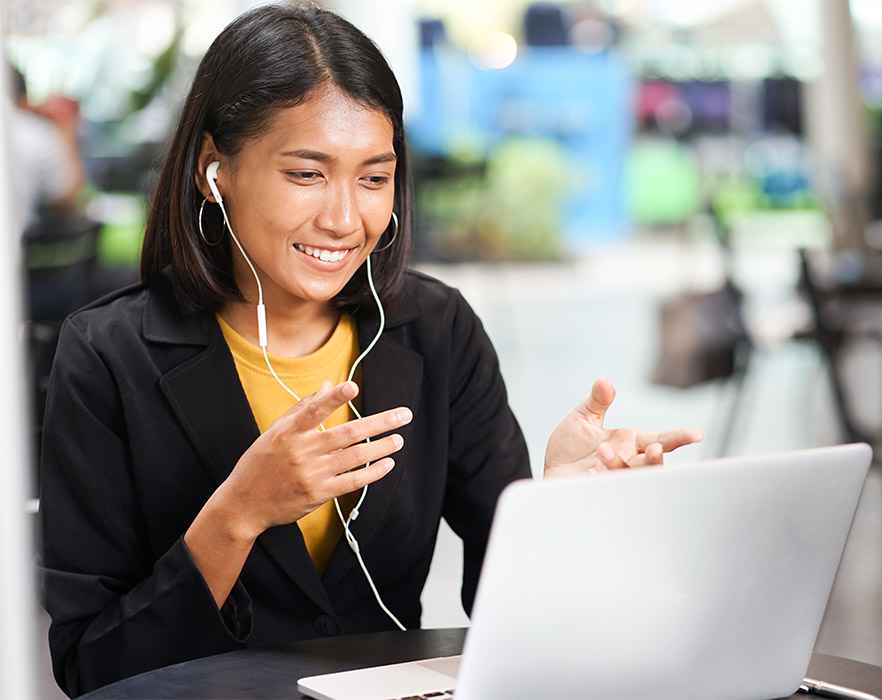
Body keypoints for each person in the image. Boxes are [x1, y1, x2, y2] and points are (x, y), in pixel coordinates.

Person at [37, 4, 702, 697]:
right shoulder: (108, 355)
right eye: (306, 174)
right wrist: (237, 517)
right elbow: (93, 666)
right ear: (214, 170)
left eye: (374, 177)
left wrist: (554, 510)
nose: (345, 218)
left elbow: (517, 620)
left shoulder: (436, 329)